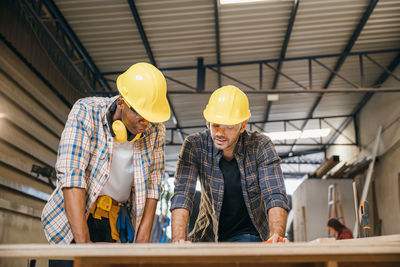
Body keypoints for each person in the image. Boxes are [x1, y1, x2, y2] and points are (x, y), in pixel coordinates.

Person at [41, 62, 170, 246]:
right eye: (140, 114)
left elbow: (153, 186)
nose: (146, 123)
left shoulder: (155, 131)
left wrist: (142, 246)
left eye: (151, 116)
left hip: (114, 221)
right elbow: (72, 175)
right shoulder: (86, 111)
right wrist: (83, 244)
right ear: (121, 102)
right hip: (73, 220)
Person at [170, 85, 289, 243]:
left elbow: (274, 194)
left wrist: (276, 236)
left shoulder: (260, 145)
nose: (220, 133)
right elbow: (182, 194)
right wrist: (178, 240)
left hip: (251, 234)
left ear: (243, 125)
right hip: (208, 235)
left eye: (228, 127)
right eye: (215, 125)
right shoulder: (194, 145)